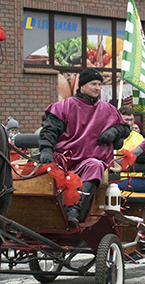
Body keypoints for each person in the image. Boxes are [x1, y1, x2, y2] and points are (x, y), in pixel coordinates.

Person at [39, 69, 130, 227]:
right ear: (81, 86)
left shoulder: (108, 109)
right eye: (93, 84)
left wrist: (114, 131)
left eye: (100, 84)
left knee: (95, 166)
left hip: (90, 161)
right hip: (64, 159)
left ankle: (74, 210)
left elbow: (125, 128)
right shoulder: (64, 106)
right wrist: (46, 149)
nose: (97, 88)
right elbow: (49, 131)